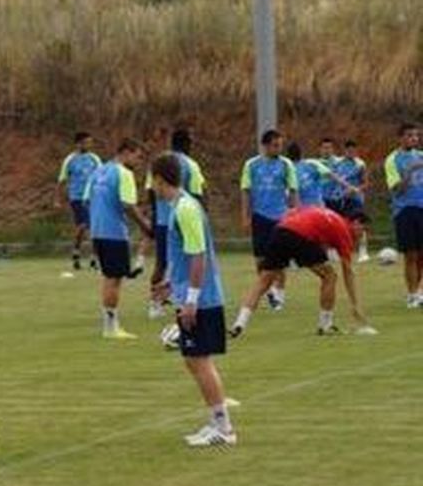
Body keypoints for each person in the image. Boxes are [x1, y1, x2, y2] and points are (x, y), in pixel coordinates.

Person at [148, 154, 235, 448]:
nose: (151, 187)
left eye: (152, 181)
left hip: (202, 299)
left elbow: (199, 256)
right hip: (192, 294)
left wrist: (192, 300)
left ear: (160, 179)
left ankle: (223, 427)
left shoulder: (185, 208)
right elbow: (189, 256)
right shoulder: (180, 207)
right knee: (193, 360)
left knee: (199, 360)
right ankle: (216, 421)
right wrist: (172, 285)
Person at [230, 204, 374, 337]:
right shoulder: (344, 230)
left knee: (263, 282)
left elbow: (292, 212)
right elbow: (348, 272)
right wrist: (355, 305)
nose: (363, 234)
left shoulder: (328, 215)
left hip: (280, 230)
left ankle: (239, 324)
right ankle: (325, 325)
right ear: (355, 222)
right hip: (299, 235)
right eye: (364, 229)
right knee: (330, 276)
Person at [87, 139, 152, 339]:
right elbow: (128, 205)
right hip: (113, 232)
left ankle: (110, 325)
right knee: (114, 280)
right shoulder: (124, 174)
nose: (139, 162)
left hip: (98, 231)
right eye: (138, 156)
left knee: (109, 278)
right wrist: (146, 226)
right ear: (126, 152)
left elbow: (86, 199)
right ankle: (111, 328)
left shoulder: (99, 171)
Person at [144, 127, 206, 319]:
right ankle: (186, 299)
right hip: (182, 219)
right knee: (189, 258)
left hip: (163, 221)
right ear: (187, 144)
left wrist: (154, 218)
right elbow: (198, 193)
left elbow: (149, 191)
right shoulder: (190, 165)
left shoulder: (159, 163)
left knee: (161, 263)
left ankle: (155, 303)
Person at [239, 128, 300, 311]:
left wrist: (295, 213)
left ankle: (279, 294)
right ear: (265, 146)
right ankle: (269, 291)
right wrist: (245, 216)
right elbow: (245, 191)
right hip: (260, 216)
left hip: (281, 217)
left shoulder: (286, 164)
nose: (279, 148)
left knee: (279, 259)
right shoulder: (251, 165)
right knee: (260, 259)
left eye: (280, 145)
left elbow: (293, 190)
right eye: (275, 145)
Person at [383, 122, 423, 308]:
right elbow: (397, 190)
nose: (414, 139)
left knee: (421, 256)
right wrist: (408, 171)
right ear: (400, 138)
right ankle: (412, 295)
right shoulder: (392, 160)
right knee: (411, 255)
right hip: (404, 211)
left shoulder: (421, 156)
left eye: (416, 135)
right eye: (409, 135)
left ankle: (418, 292)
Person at [57, 131, 102, 274]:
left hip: (93, 197)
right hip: (76, 197)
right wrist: (58, 199)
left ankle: (94, 258)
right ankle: (76, 251)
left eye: (90, 142)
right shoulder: (70, 160)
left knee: (93, 226)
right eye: (86, 142)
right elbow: (62, 180)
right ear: (78, 144)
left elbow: (102, 176)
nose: (89, 145)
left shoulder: (94, 158)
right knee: (83, 225)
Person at [328, 138, 371, 263]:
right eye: (348, 150)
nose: (351, 152)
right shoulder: (337, 163)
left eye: (353, 150)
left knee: (357, 224)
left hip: (355, 199)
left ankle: (363, 251)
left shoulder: (360, 164)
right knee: (337, 225)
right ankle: (336, 251)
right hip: (339, 199)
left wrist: (356, 189)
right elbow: (332, 179)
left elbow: (366, 183)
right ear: (345, 150)